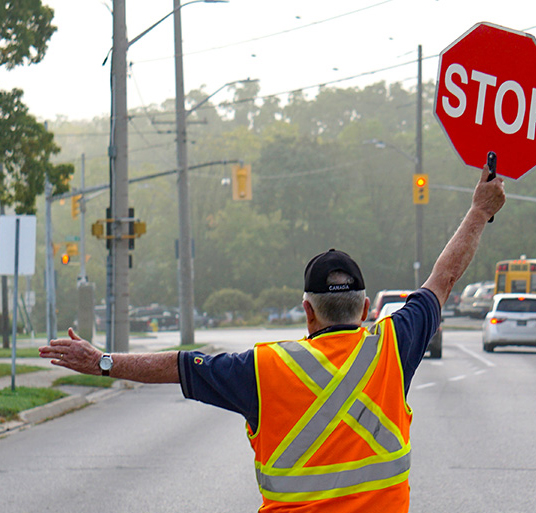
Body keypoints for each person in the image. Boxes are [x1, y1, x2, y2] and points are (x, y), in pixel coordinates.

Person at [39, 164, 505, 512]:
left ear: (307, 312)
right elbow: (443, 278)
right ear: (366, 310)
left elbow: (178, 366)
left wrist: (101, 361)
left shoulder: (263, 370)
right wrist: (479, 209)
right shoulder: (392, 347)